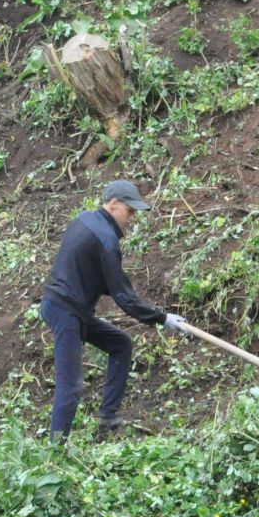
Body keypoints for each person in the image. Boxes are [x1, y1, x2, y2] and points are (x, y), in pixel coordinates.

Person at [39, 180, 187, 440]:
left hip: (64, 306)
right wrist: (162, 318)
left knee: (120, 344)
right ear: (114, 204)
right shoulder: (106, 239)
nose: (132, 218)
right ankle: (54, 452)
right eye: (130, 211)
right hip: (66, 310)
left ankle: (108, 419)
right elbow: (123, 296)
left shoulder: (83, 220)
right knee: (71, 386)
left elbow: (92, 274)